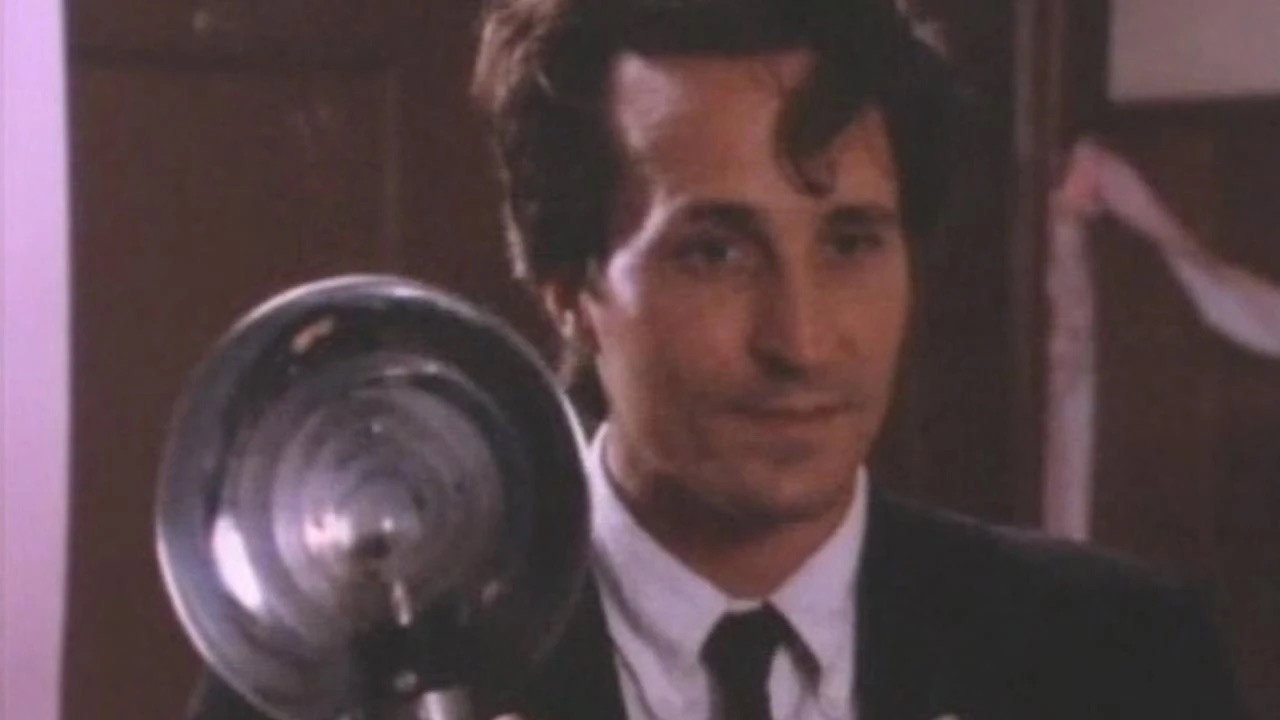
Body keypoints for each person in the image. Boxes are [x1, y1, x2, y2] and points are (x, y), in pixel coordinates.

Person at [187, 1, 1250, 718]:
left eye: (850, 243)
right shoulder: (346, 684)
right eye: (713, 252)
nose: (802, 342)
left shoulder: (1120, 657)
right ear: (569, 286)